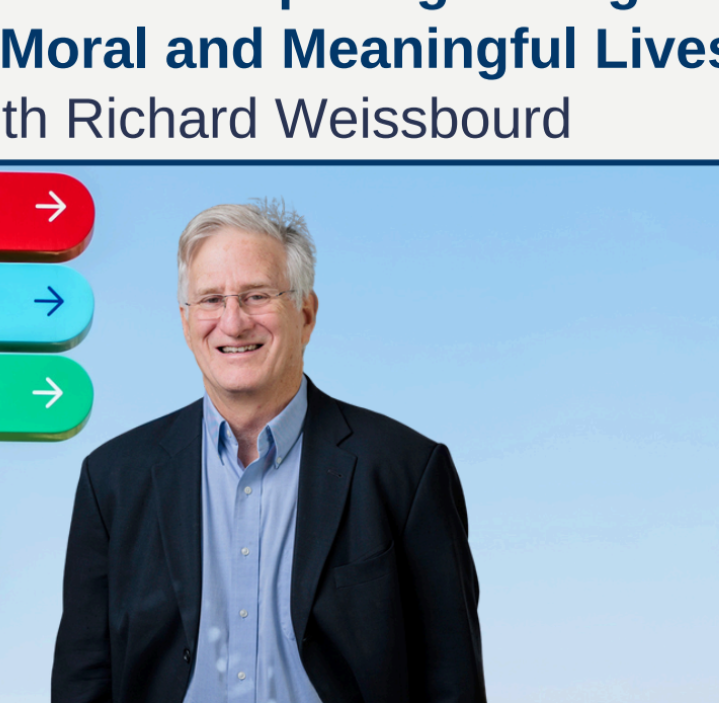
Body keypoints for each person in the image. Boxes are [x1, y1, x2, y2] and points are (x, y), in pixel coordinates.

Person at [52, 201, 485, 703]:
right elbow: (82, 683)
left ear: (305, 313)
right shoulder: (112, 481)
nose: (233, 323)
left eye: (256, 295)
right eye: (211, 299)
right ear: (186, 321)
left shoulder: (405, 472)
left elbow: (453, 686)